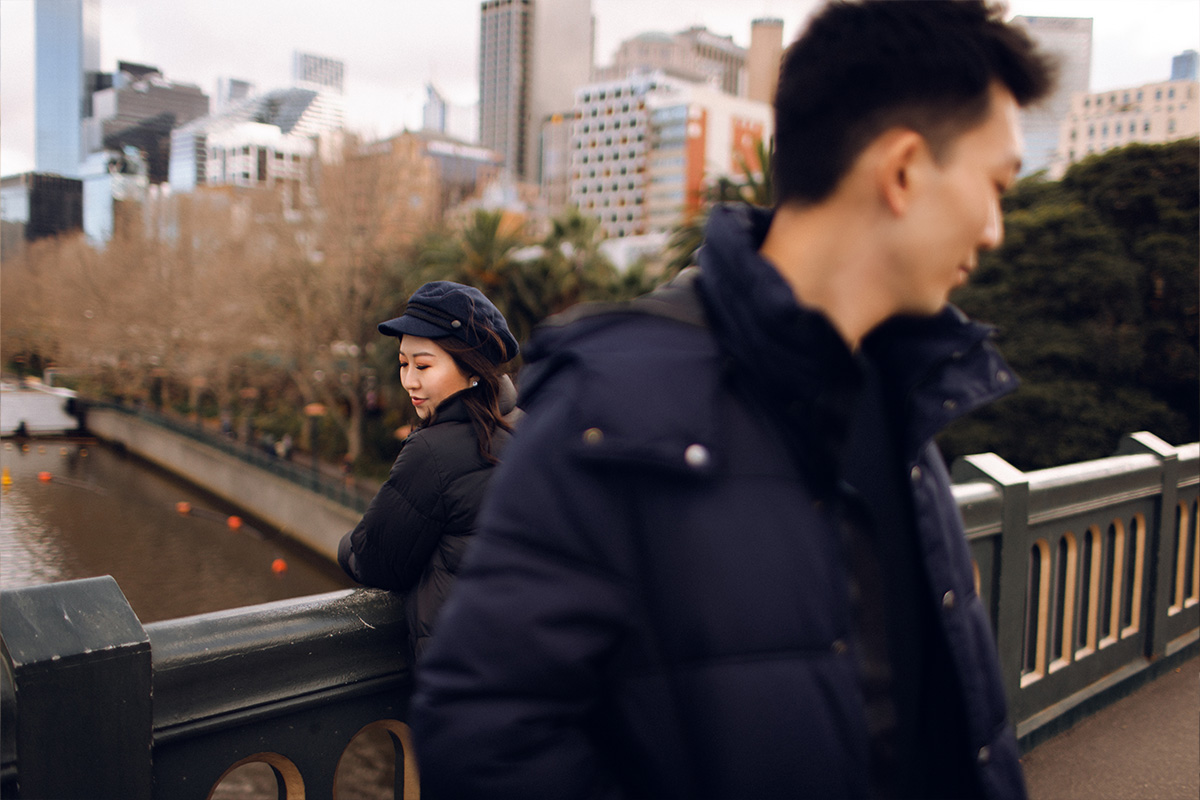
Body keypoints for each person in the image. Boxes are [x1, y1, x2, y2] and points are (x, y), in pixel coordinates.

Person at [411, 1, 1054, 798]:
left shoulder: (903, 394)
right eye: (995, 186)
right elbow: (485, 744)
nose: (995, 229)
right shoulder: (610, 400)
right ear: (903, 169)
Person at [337, 281, 519, 660]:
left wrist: (347, 547)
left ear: (472, 367)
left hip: (465, 674)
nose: (409, 381)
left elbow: (375, 561)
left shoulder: (432, 452)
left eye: (423, 365)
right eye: (403, 364)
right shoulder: (527, 428)